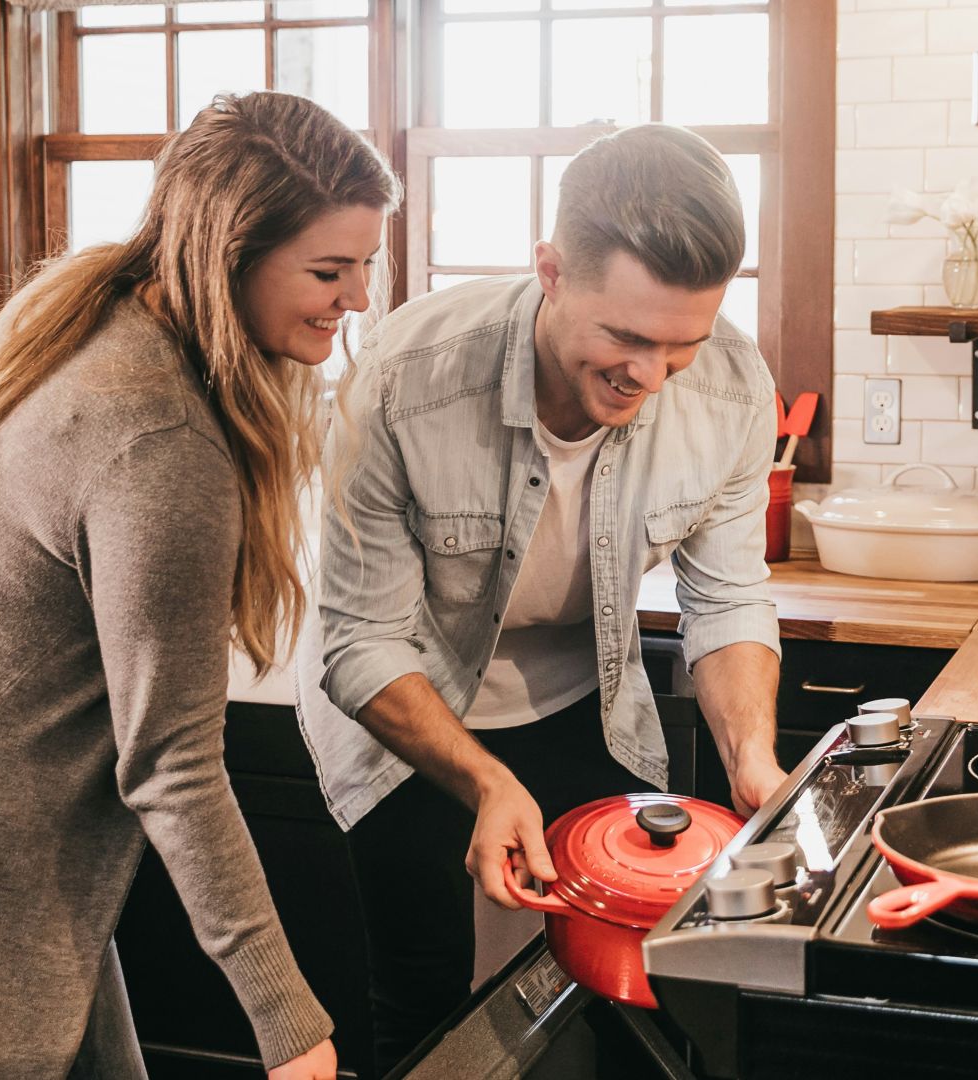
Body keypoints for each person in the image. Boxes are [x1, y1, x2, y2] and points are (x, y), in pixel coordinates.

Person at [0, 91, 398, 1080]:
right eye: (327, 270)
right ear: (228, 253)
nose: (354, 297)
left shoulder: (100, 314)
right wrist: (289, 1024)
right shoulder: (160, 438)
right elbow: (173, 764)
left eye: (365, 265)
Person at [298, 123, 789, 1076]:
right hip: (406, 705)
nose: (650, 377)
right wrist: (486, 784)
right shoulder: (403, 379)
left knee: (615, 981)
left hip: (582, 698)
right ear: (551, 272)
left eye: (682, 345)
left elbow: (728, 597)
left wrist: (753, 759)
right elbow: (361, 640)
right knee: (426, 989)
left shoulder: (732, 389)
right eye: (627, 337)